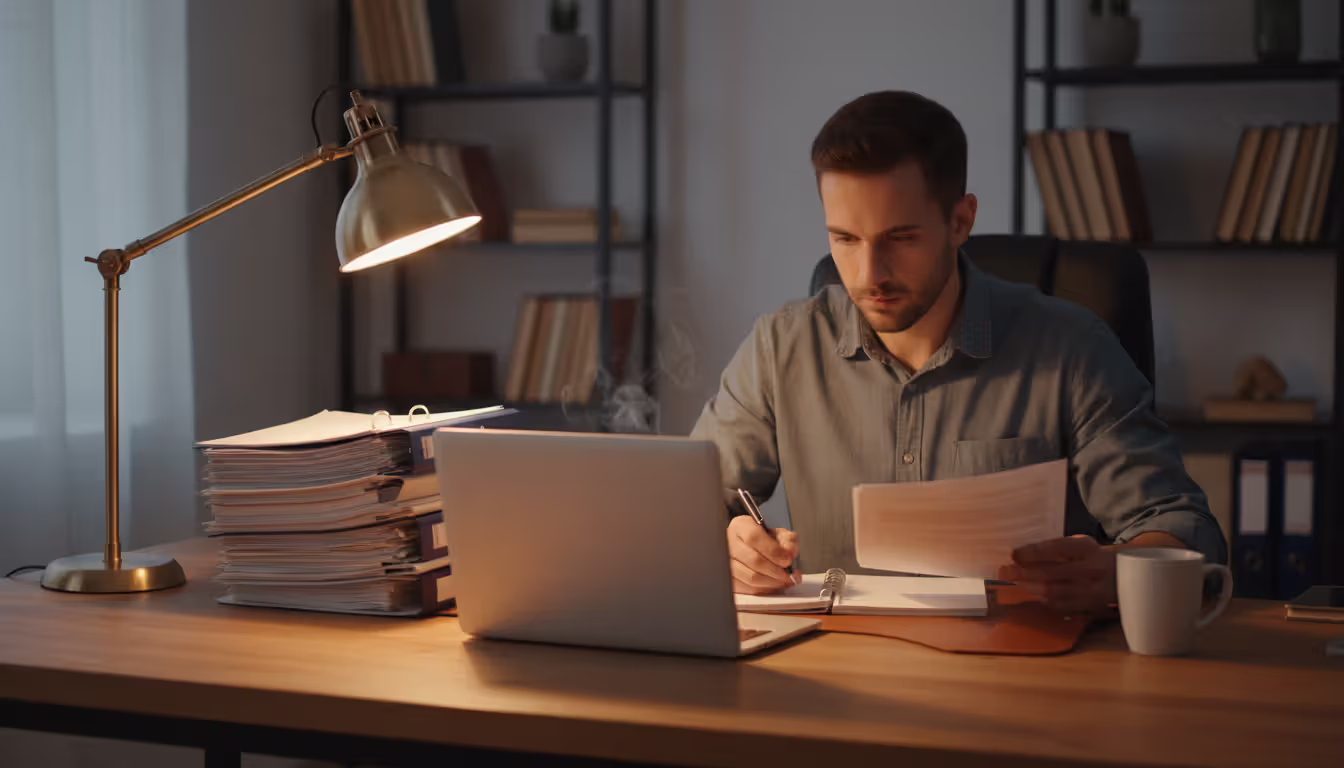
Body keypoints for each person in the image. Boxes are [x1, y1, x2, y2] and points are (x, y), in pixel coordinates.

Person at [691, 90, 1226, 615]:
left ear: (960, 222)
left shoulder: (1073, 350)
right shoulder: (780, 347)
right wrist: (729, 543)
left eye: (899, 239)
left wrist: (1114, 570)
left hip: (1019, 672)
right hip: (836, 669)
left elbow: (1184, 531)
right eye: (845, 239)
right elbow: (683, 513)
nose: (868, 274)